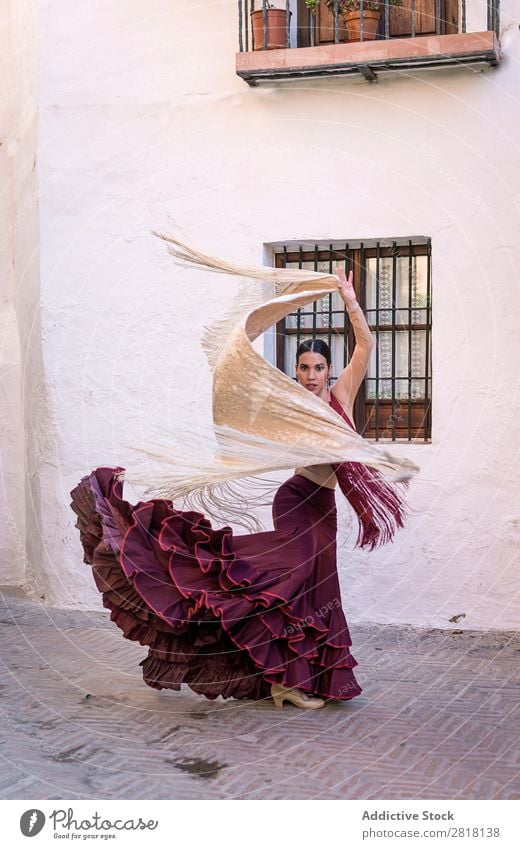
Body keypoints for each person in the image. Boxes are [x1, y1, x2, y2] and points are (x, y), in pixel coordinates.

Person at [71, 239, 417, 711]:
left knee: (317, 589)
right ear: (295, 370)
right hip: (296, 499)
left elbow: (367, 345)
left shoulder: (341, 395)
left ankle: (300, 679)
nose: (311, 375)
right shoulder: (287, 403)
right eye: (303, 367)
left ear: (329, 370)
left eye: (318, 367)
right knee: (288, 580)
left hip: (324, 506)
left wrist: (350, 302)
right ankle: (285, 680)